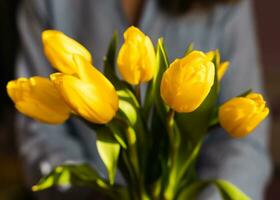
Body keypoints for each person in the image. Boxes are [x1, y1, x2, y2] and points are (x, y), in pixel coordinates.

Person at [16, 0, 271, 199]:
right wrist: (93, 193)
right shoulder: (48, 3)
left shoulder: (227, 5)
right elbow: (40, 136)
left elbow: (246, 147)